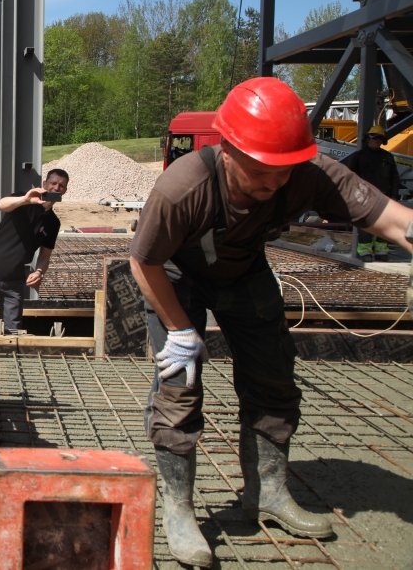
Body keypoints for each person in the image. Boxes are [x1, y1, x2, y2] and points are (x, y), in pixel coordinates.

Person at [128, 77, 413, 567]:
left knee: (274, 375)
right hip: (175, 273)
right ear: (230, 148)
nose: (276, 184)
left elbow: (390, 219)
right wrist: (179, 331)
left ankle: (268, 492)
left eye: (286, 172)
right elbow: (144, 262)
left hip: (243, 269)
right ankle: (180, 508)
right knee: (180, 384)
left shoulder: (303, 170)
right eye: (263, 171)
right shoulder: (183, 187)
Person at [0, 169, 69, 335]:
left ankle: (5, 359)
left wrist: (39, 272)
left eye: (61, 186)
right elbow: (1, 205)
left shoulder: (53, 223)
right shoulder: (24, 201)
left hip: (14, 279)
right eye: (53, 183)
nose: (56, 188)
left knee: (13, 330)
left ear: (65, 190)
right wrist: (25, 199)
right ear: (44, 184)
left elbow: (44, 256)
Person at [342, 124, 400, 261]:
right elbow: (349, 176)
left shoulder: (387, 157)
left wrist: (394, 196)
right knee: (366, 225)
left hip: (384, 197)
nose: (377, 140)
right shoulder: (359, 156)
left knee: (384, 225)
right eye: (374, 137)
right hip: (364, 198)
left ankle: (381, 253)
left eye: (380, 138)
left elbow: (395, 178)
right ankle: (365, 252)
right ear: (368, 139)